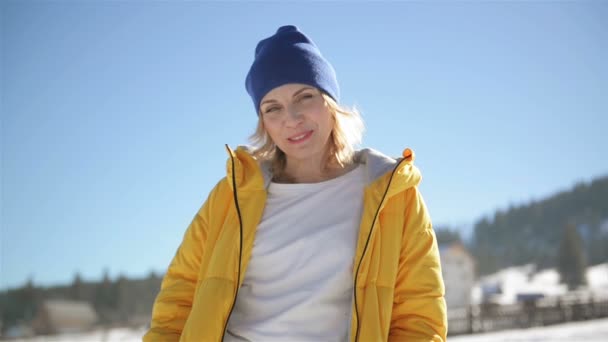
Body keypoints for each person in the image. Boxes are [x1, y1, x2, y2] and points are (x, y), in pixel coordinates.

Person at [144, 25, 447, 342]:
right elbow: (177, 302)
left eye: (305, 97)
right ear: (264, 124)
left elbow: (418, 318)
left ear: (330, 104)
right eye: (272, 107)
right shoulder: (232, 195)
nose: (291, 117)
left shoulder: (393, 195)